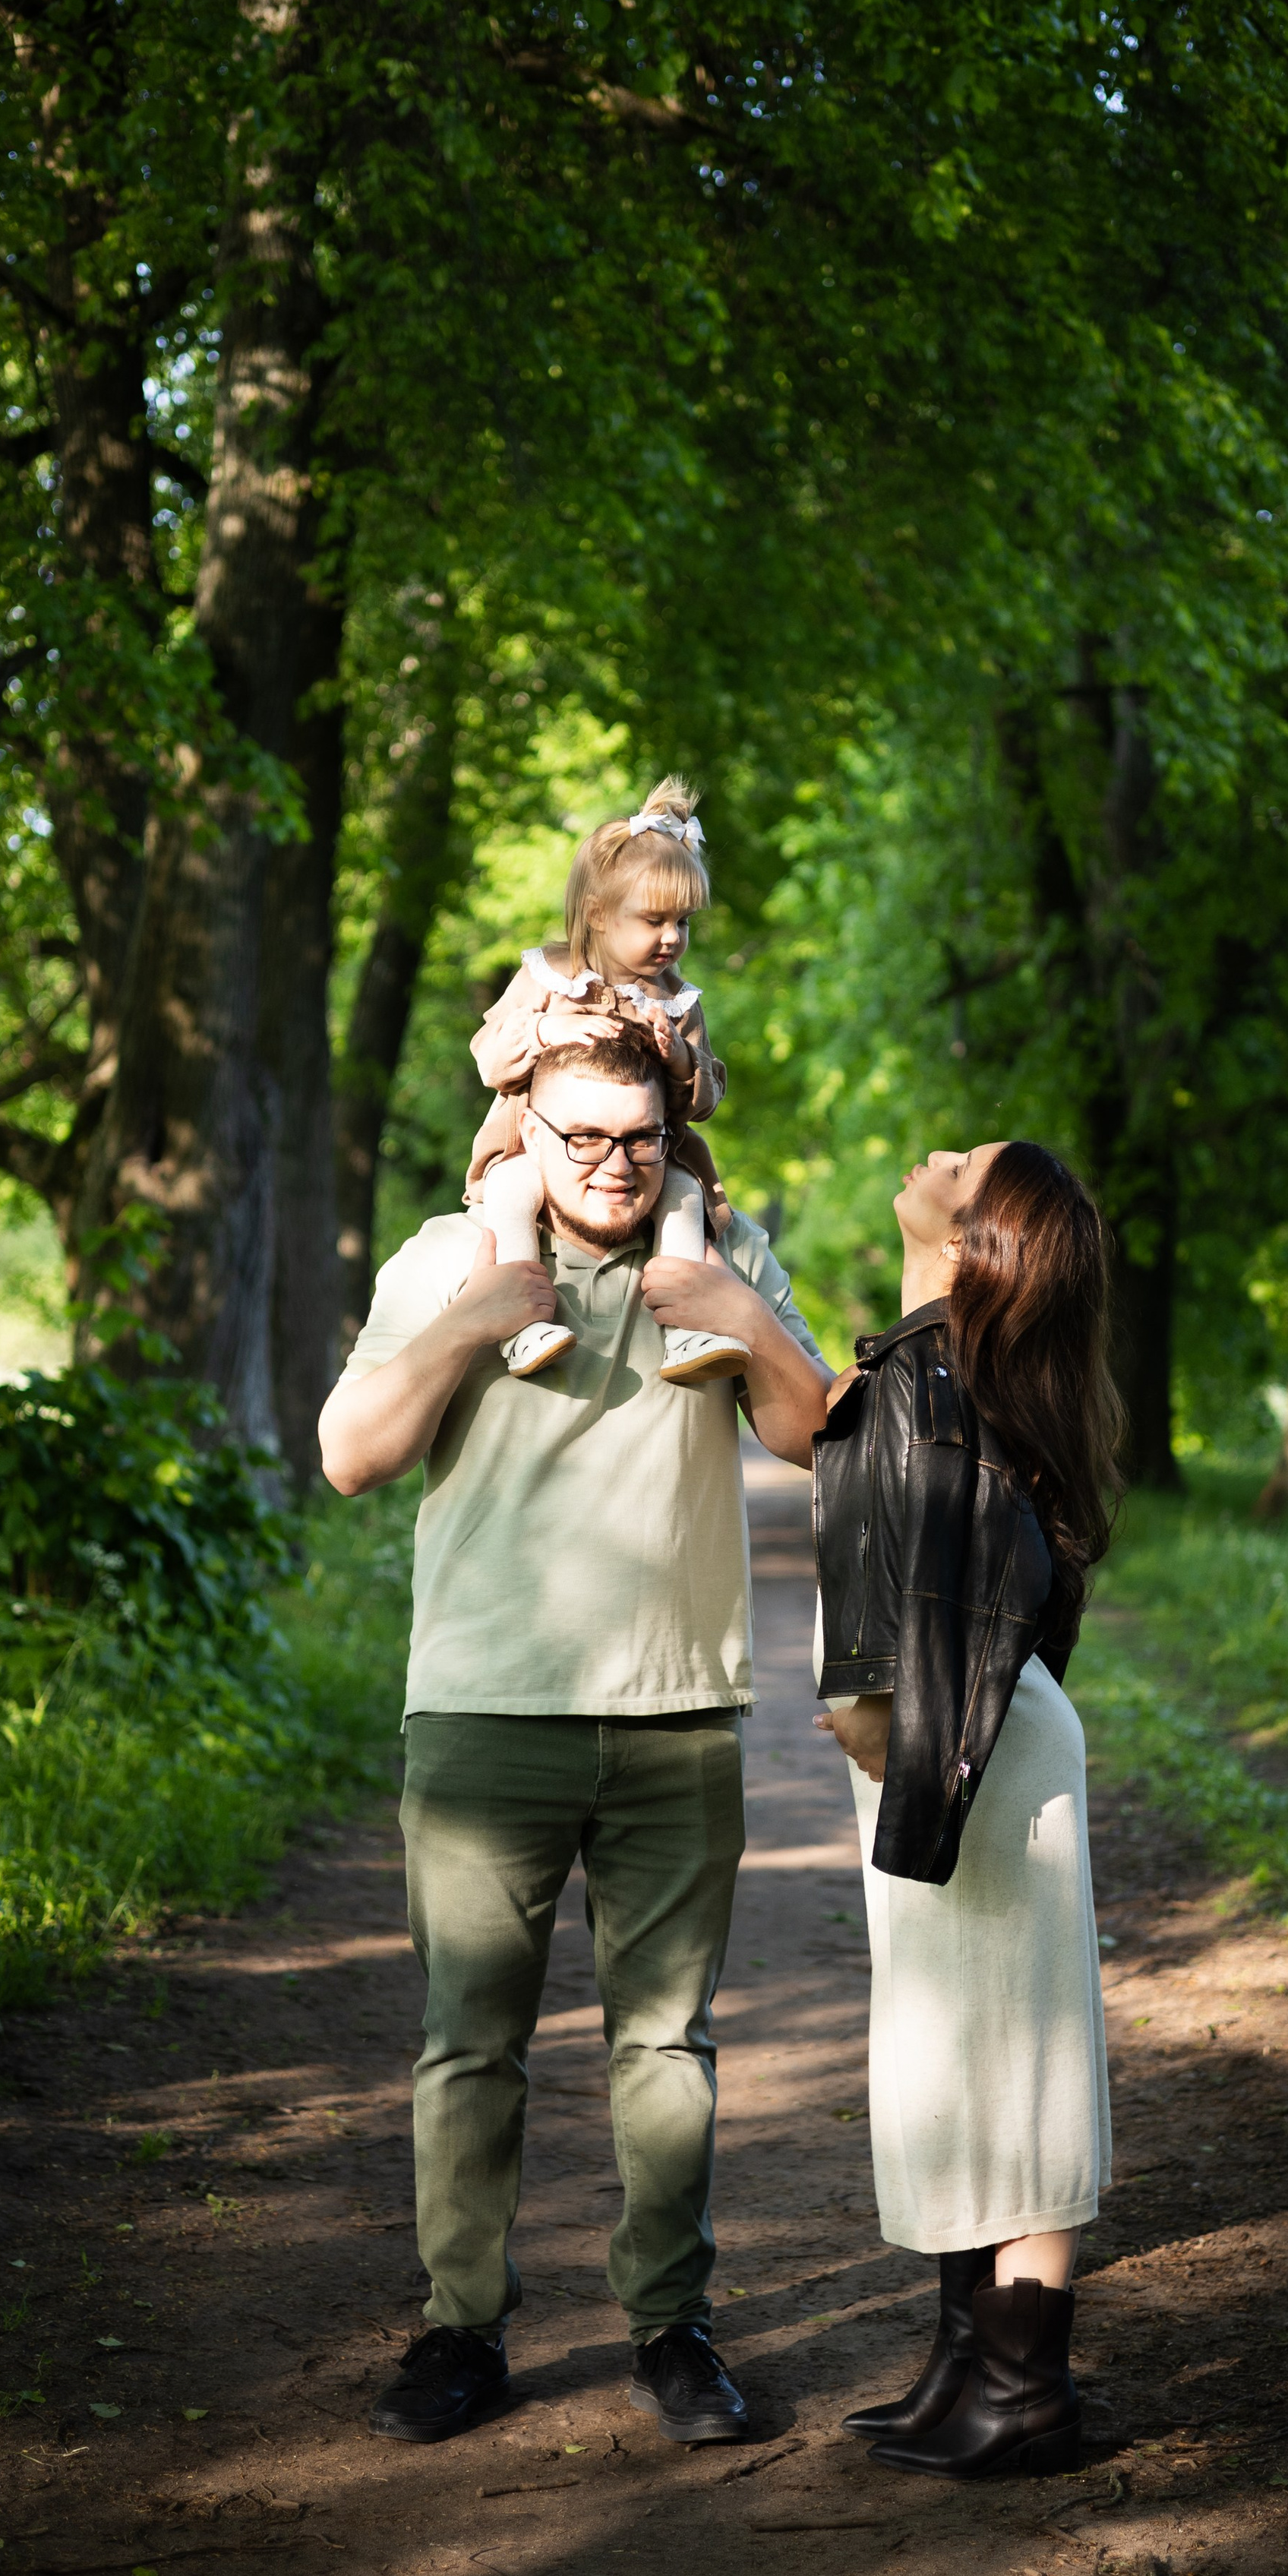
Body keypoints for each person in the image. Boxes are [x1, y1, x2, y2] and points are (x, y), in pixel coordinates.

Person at [320, 1027, 830, 2449]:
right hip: (486, 1712)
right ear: (522, 1131)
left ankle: (674, 2332)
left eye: (639, 1138)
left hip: (679, 1711)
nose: (611, 1164)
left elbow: (812, 1436)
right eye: (581, 1138)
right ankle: (459, 2331)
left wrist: (733, 1301)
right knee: (469, 2044)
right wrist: (481, 1315)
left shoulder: (720, 1249)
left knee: (667, 2046)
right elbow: (351, 1454)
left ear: (676, 1131)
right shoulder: (446, 1259)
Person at [810, 1139, 1122, 2480]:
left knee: (1022, 2067)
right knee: (956, 2058)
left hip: (977, 1748)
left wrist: (885, 1715)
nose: (931, 1152)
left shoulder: (938, 1382)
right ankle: (964, 2368)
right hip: (969, 1741)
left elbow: (976, 1583)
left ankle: (1025, 2392)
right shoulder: (934, 1363)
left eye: (960, 1161)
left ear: (978, 1230)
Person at [466, 780, 742, 1384]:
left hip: (642, 1156)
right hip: (536, 1147)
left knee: (685, 1196)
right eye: (654, 920)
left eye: (684, 922)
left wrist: (678, 1061)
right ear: (597, 914)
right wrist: (543, 1031)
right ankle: (520, 1321)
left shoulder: (678, 1003)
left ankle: (685, 1327)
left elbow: (704, 1103)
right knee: (510, 1191)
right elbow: (489, 1060)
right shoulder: (549, 976)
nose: (672, 938)